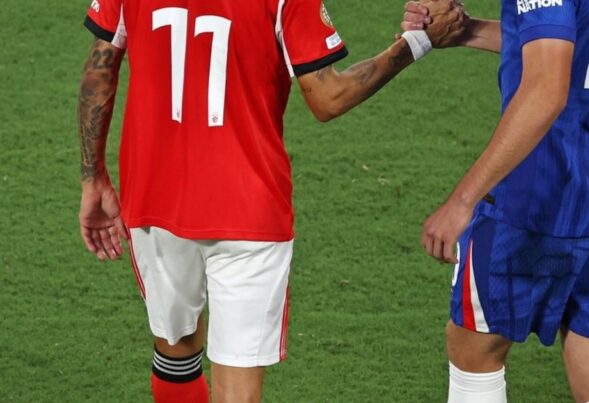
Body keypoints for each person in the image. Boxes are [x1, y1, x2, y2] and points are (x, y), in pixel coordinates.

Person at [77, 1, 464, 401]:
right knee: (236, 387)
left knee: (176, 351)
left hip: (155, 199)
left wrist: (92, 179)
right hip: (248, 209)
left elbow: (100, 69)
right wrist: (415, 43)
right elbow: (328, 97)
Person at [403, 0, 589, 402]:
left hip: (543, 190)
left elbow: (546, 88)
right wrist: (469, 31)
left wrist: (462, 200)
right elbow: (578, 44)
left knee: (475, 349)